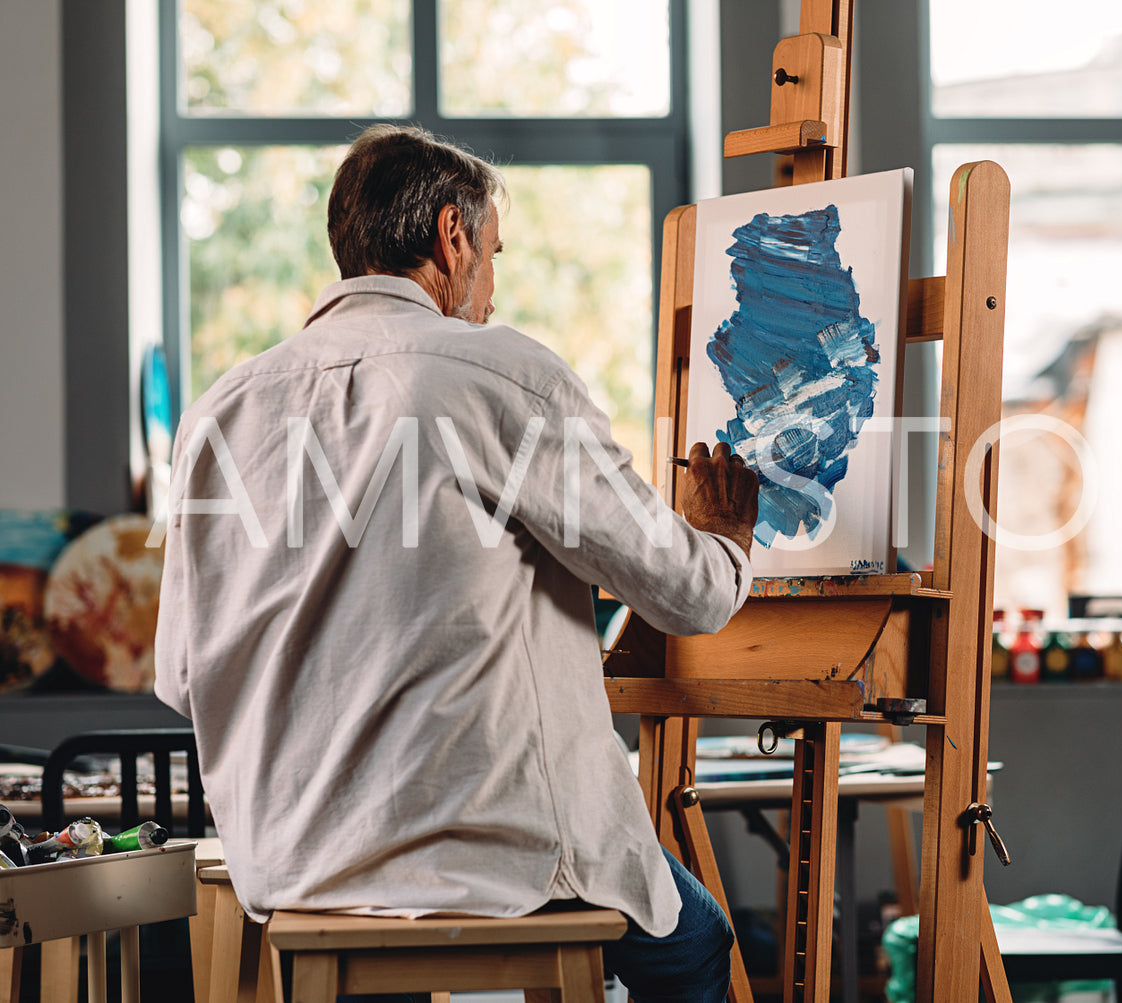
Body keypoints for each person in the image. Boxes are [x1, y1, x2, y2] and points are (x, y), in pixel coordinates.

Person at [154, 124, 760, 1002]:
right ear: (452, 236)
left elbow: (180, 673)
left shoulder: (222, 409)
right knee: (695, 939)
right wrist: (724, 535)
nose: (490, 284)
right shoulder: (497, 376)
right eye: (494, 252)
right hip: (484, 853)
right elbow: (689, 592)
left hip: (287, 859)